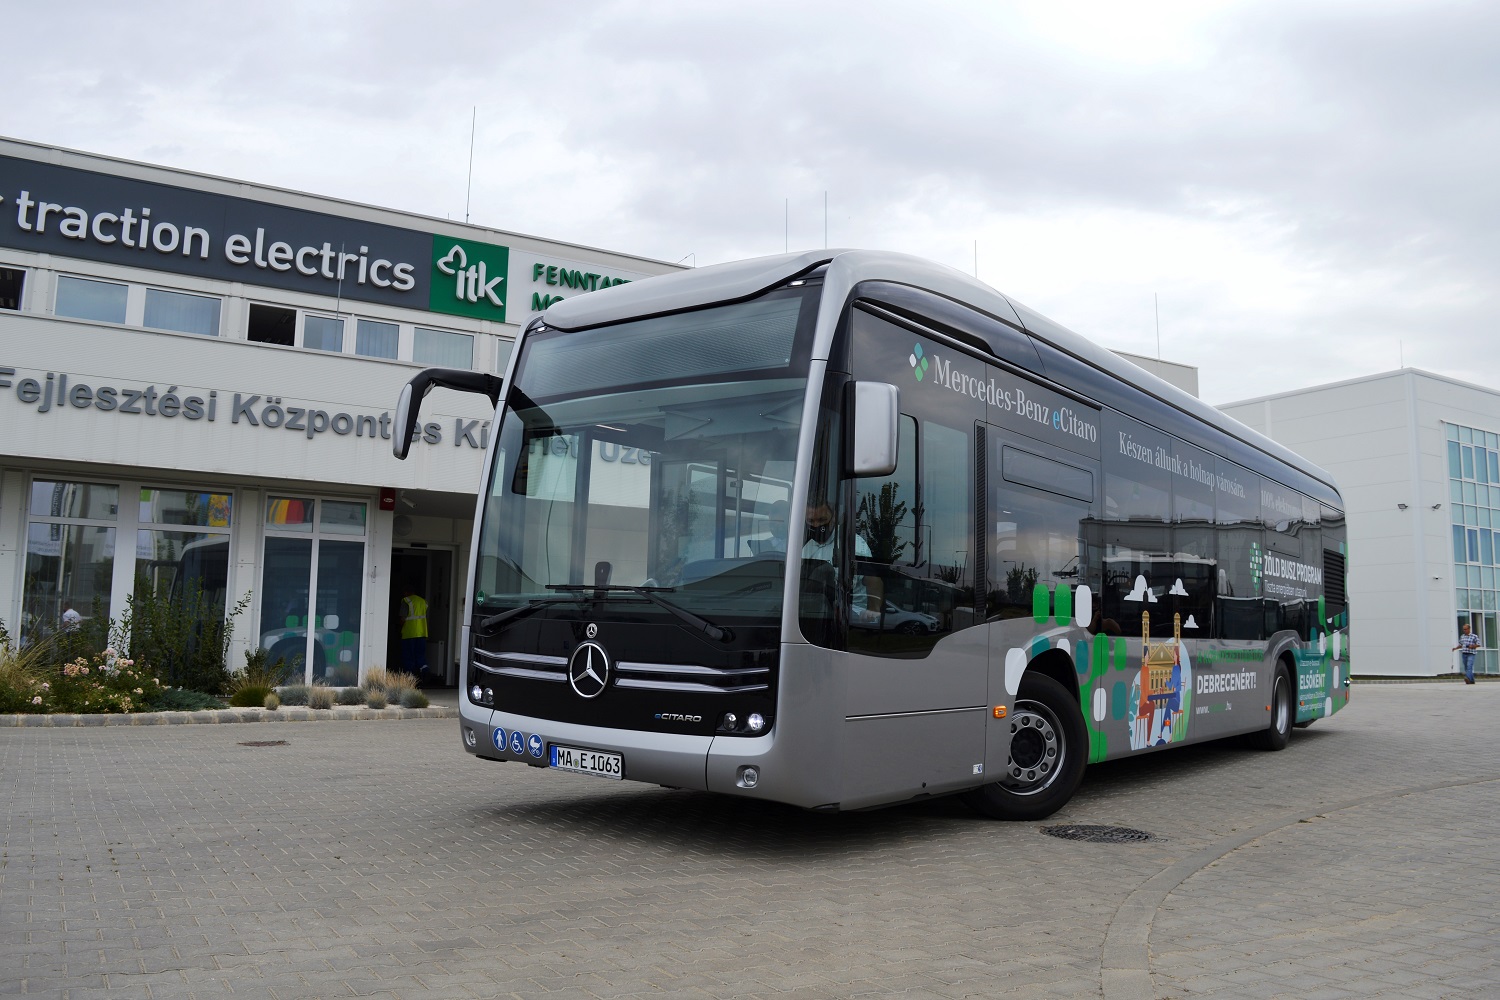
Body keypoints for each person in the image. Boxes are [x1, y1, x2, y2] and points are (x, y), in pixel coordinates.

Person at [802, 498, 880, 626]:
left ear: (833, 518)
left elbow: (873, 579)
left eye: (821, 520)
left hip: (851, 614)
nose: (816, 525)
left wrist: (873, 611)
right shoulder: (806, 548)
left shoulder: (853, 544)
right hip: (814, 612)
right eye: (811, 521)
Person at [399, 584, 430, 682]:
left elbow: (403, 618)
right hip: (422, 633)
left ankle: (410, 679)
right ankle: (425, 673)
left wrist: (399, 627)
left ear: (406, 592)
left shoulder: (406, 601)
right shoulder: (423, 602)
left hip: (409, 634)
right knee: (420, 656)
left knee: (408, 657)